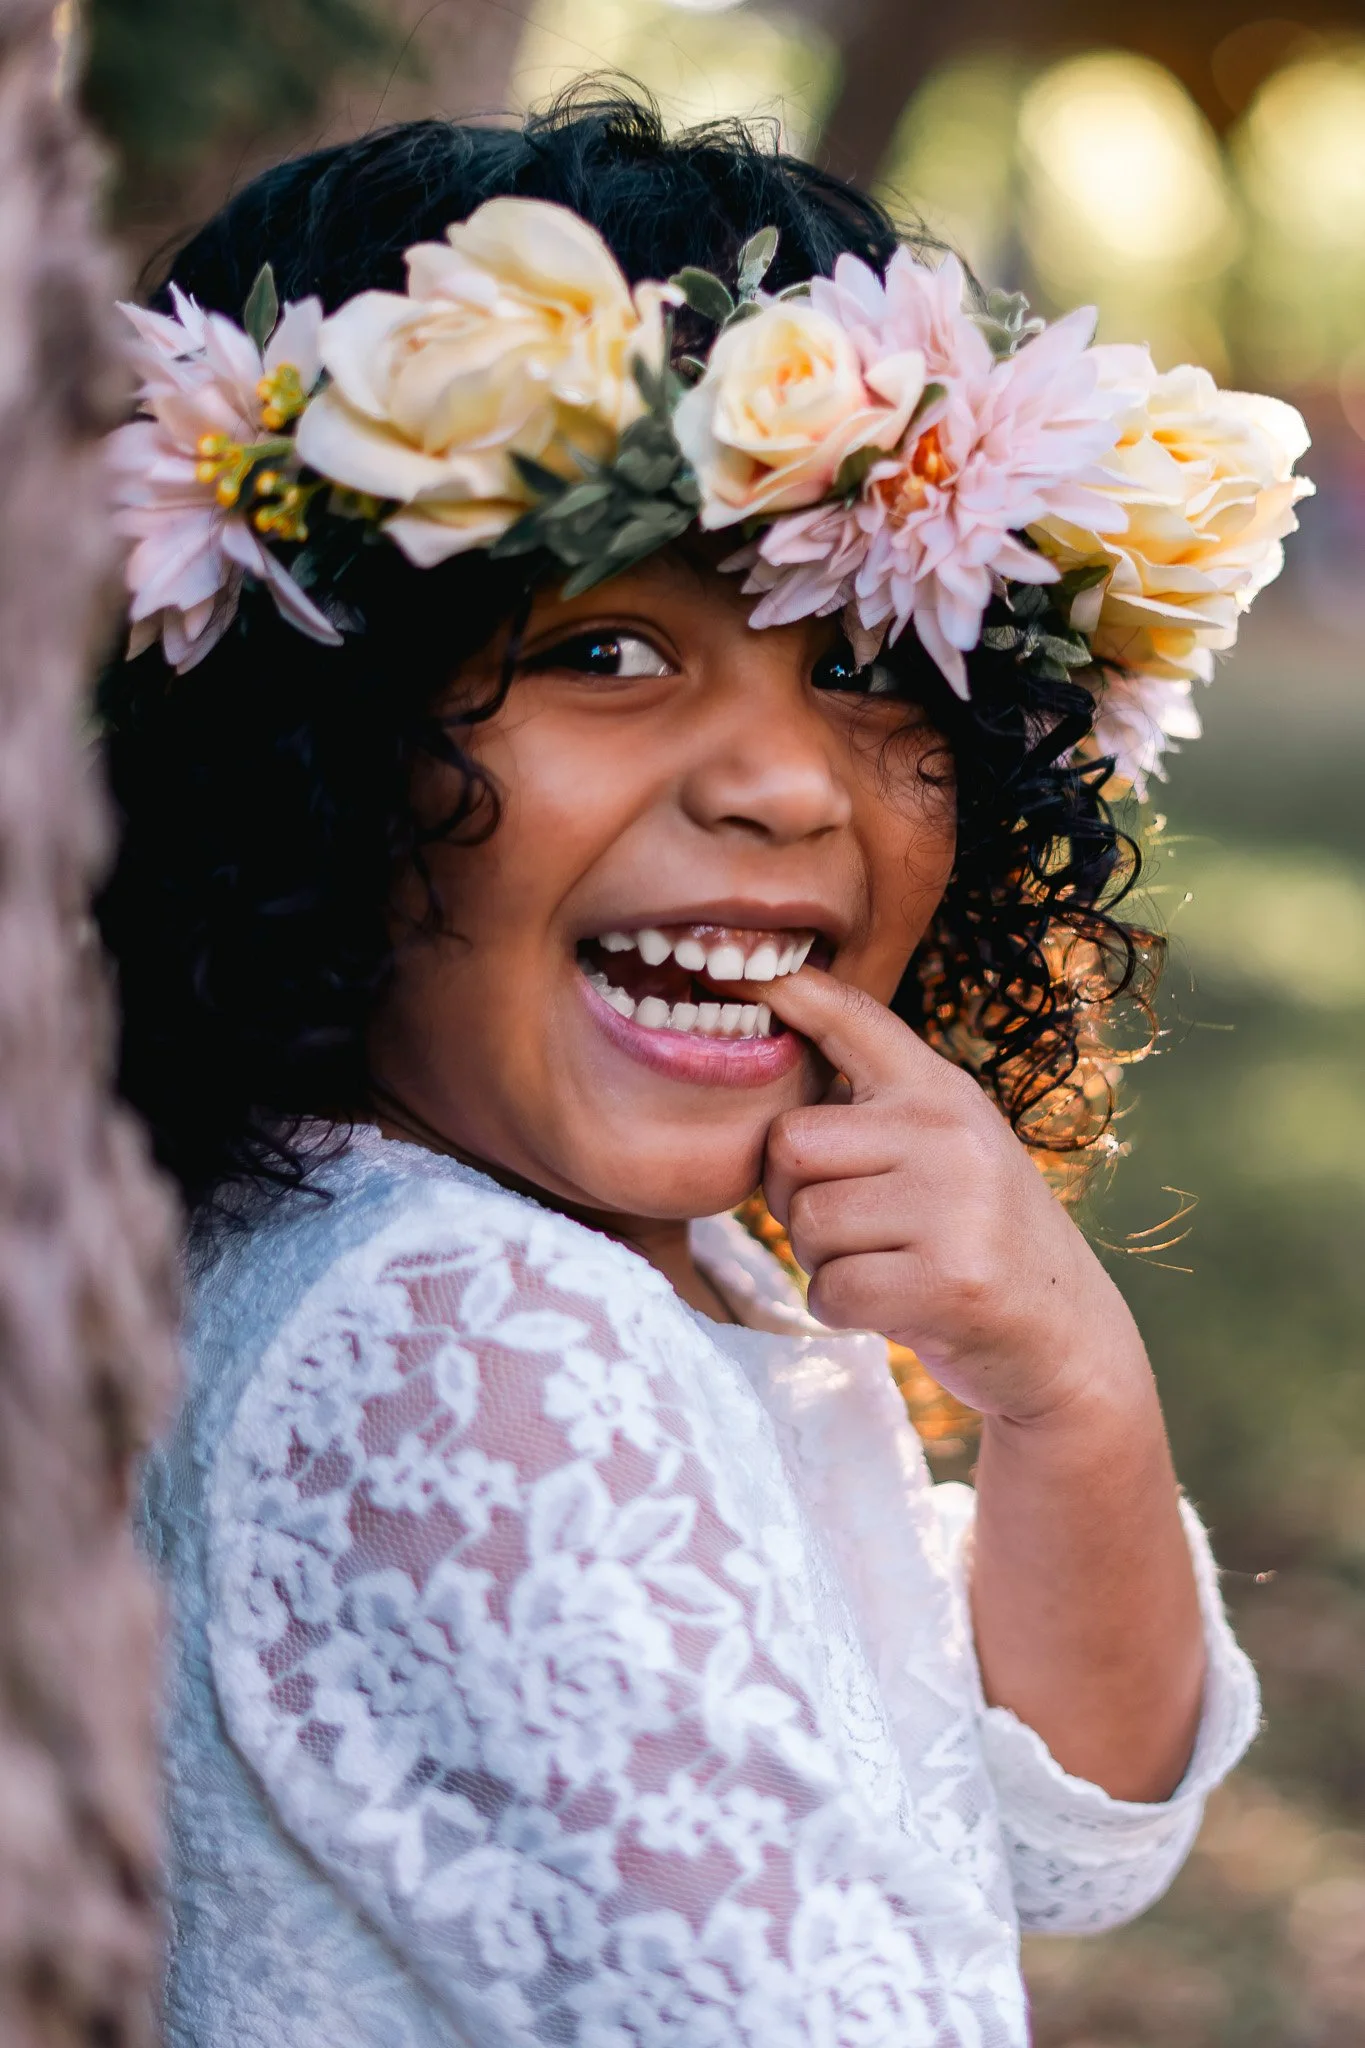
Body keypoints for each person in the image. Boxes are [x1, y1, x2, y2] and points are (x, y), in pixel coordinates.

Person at [99, 93, 1310, 2048]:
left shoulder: (527, 1258)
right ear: (312, 744)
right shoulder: (474, 1346)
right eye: (604, 651)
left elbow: (1069, 1841)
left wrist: (1065, 1393)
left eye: (862, 664)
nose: (772, 778)